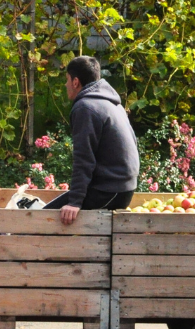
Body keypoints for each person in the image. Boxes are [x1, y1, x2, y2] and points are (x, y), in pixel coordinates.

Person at [45, 56, 139, 224]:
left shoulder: (86, 107)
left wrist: (75, 203)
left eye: (67, 79)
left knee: (42, 220)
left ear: (75, 82)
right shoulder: (112, 104)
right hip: (121, 187)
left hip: (110, 191)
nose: (66, 85)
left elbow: (83, 158)